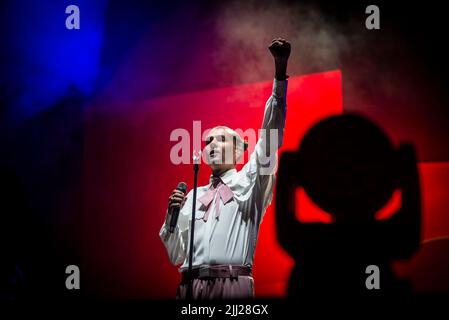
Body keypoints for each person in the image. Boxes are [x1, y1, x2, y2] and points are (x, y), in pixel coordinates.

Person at [159, 38, 291, 300]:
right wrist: (171, 220)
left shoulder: (251, 181)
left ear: (239, 150)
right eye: (208, 140)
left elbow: (270, 137)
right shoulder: (194, 196)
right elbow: (176, 255)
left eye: (221, 139)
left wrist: (279, 72)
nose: (212, 144)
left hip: (232, 286)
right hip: (189, 289)